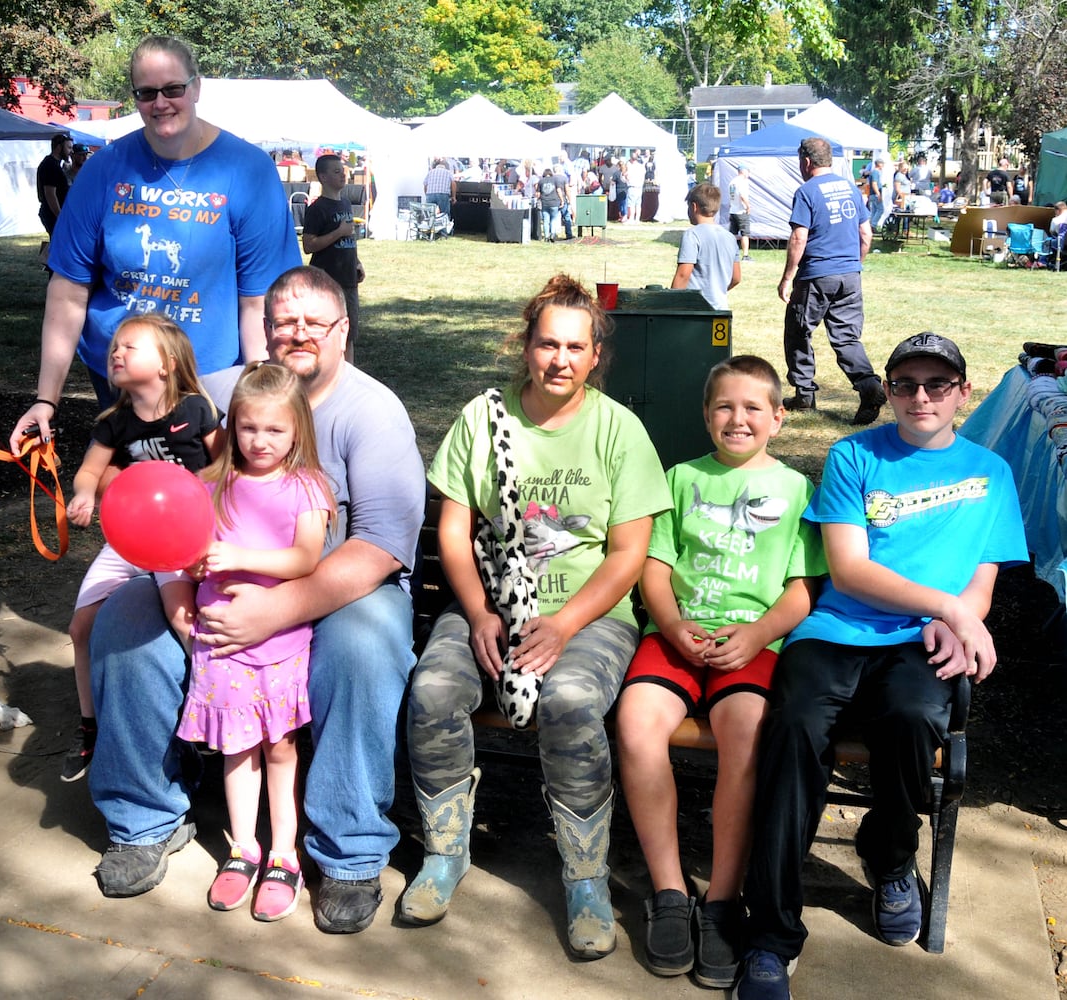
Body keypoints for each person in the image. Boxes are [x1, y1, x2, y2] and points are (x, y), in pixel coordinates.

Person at [83, 265, 425, 936]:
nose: (297, 334)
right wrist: (175, 594)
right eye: (282, 322)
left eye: (313, 322)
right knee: (125, 621)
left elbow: (382, 542)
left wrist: (279, 609)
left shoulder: (371, 411)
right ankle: (142, 816)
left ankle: (347, 850)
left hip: (339, 588)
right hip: (212, 583)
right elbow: (159, 502)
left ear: (343, 331)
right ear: (263, 330)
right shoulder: (215, 400)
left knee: (361, 647)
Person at [735, 332, 1028, 1000]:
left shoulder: (991, 471)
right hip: (836, 630)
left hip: (921, 641)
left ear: (963, 392)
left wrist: (964, 621)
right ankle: (770, 937)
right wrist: (950, 611)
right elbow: (848, 568)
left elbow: (982, 575)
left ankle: (889, 855)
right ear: (888, 390)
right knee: (794, 732)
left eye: (935, 384)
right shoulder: (852, 455)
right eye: (903, 384)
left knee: (914, 716)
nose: (919, 396)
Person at [401, 273, 672, 959]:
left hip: (591, 617)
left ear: (594, 356)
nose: (560, 359)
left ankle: (584, 877)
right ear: (525, 347)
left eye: (575, 348)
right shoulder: (482, 418)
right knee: (433, 692)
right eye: (547, 344)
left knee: (574, 700)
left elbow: (628, 553)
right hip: (488, 606)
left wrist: (563, 624)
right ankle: (445, 852)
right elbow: (454, 532)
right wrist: (477, 613)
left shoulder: (618, 428)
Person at [616, 356, 823, 988]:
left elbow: (801, 588)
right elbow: (654, 566)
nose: (738, 419)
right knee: (635, 725)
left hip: (750, 643)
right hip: (676, 635)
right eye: (724, 407)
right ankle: (672, 892)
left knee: (748, 733)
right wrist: (673, 625)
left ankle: (723, 899)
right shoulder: (680, 478)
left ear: (778, 419)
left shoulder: (795, 491)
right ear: (707, 416)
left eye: (753, 408)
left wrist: (758, 634)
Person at [7, 35, 300, 440]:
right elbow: (68, 291)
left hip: (209, 378)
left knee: (209, 495)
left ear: (196, 88)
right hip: (120, 379)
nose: (160, 103)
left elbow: (258, 303)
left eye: (173, 89)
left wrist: (261, 396)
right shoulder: (104, 170)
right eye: (146, 93)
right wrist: (46, 400)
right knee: (132, 489)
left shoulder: (247, 171)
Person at [165, 362, 334, 922]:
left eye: (275, 430)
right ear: (232, 425)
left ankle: (284, 854)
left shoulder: (306, 486)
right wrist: (191, 567)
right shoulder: (212, 483)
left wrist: (240, 557)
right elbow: (188, 551)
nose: (260, 441)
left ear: (297, 431)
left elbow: (305, 558)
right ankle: (243, 848)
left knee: (280, 748)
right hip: (219, 643)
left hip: (279, 643)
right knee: (236, 748)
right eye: (248, 428)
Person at [58, 314, 223, 783]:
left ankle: (212, 706)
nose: (117, 352)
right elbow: (89, 472)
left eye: (131, 346)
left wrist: (192, 493)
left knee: (182, 619)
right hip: (129, 543)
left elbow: (226, 463)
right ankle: (89, 727)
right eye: (115, 346)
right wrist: (86, 493)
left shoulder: (195, 409)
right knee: (80, 626)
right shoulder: (114, 421)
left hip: (181, 542)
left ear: (167, 364)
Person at [778, 137, 884, 425]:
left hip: (816, 275)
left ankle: (804, 393)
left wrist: (788, 277)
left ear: (806, 162)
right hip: (850, 275)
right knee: (847, 337)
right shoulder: (851, 188)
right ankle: (869, 386)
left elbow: (800, 236)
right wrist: (855, 264)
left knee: (798, 330)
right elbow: (866, 234)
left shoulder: (806, 191)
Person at [302, 154, 364, 362]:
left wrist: (357, 262)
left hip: (348, 279)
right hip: (326, 282)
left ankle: (350, 377)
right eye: (336, 172)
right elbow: (309, 245)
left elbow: (349, 239)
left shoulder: (345, 204)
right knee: (324, 331)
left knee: (349, 333)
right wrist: (338, 232)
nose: (343, 175)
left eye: (343, 171)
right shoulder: (317, 209)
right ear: (323, 177)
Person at [672, 183, 741, 311]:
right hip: (721, 309)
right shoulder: (730, 238)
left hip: (695, 309)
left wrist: (671, 304)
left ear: (693, 207)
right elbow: (736, 278)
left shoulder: (692, 235)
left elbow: (683, 275)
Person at [37, 133, 72, 235]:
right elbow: (50, 194)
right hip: (52, 214)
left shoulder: (55, 164)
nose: (71, 151)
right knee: (58, 244)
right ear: (59, 147)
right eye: (69, 148)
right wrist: (60, 216)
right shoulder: (50, 165)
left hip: (54, 214)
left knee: (57, 244)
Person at [727, 165, 752, 262]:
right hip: (741, 211)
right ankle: (745, 255)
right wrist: (748, 206)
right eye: (748, 172)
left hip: (733, 210)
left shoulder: (732, 182)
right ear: (744, 171)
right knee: (745, 233)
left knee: (733, 233)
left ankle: (730, 253)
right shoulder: (742, 182)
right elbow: (742, 195)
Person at [537, 168, 563, 243]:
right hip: (554, 202)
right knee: (553, 219)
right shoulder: (555, 179)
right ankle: (552, 234)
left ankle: (546, 236)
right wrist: (562, 200)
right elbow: (558, 190)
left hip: (544, 203)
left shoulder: (541, 181)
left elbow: (538, 194)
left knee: (546, 220)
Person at [625, 153, 646, 224]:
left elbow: (627, 177)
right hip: (639, 187)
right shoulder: (641, 166)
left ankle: (631, 219)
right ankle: (637, 219)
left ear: (631, 158)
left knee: (631, 204)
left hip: (632, 186)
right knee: (638, 204)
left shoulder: (630, 167)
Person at [866, 158, 886, 230]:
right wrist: (878, 194)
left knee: (874, 210)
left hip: (872, 194)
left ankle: (870, 225)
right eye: (882, 164)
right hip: (875, 194)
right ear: (879, 164)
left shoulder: (873, 172)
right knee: (881, 209)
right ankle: (873, 225)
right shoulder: (875, 172)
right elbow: (874, 184)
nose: (883, 166)